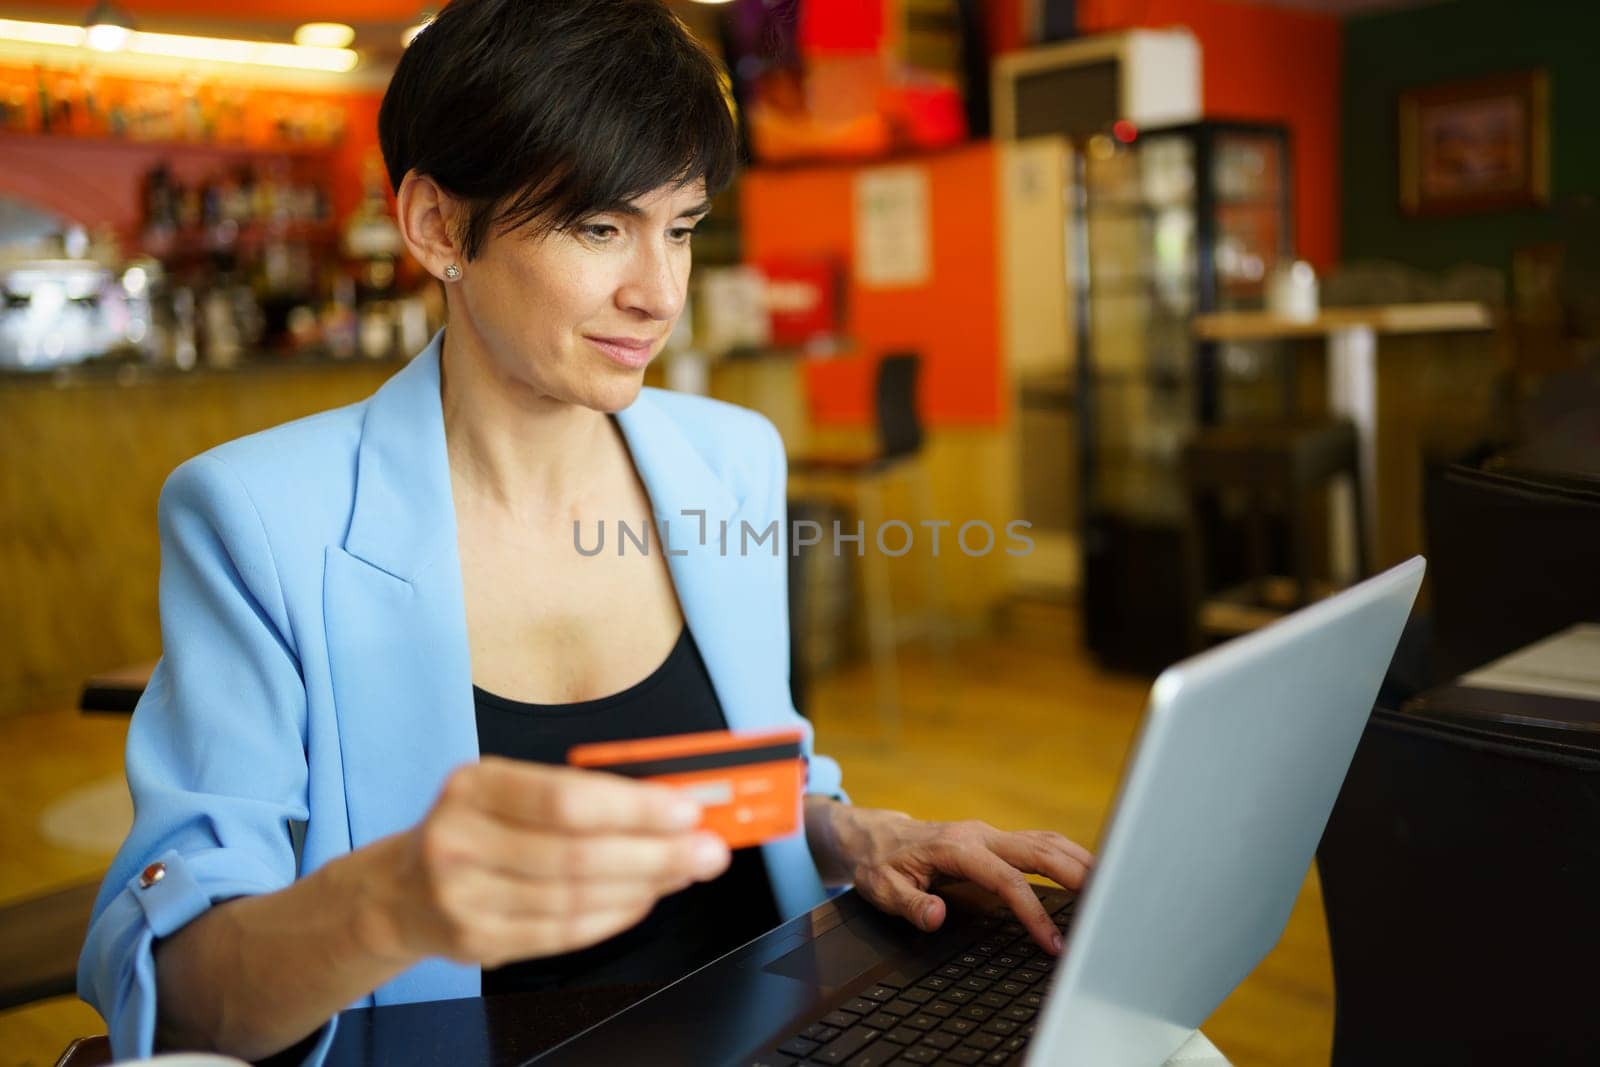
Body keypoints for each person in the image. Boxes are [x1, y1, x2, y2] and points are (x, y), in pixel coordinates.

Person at [77, 0, 1094, 1060]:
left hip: (779, 1027)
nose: (658, 294)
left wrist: (858, 831)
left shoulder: (728, 463)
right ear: (433, 225)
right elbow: (174, 1000)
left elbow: (739, 789)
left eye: (683, 228)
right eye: (599, 226)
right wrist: (392, 901)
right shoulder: (259, 518)